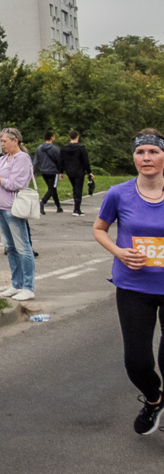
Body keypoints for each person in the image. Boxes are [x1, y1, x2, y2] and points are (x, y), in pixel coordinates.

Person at [94, 129, 164, 435]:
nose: (146, 158)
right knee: (137, 361)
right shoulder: (118, 193)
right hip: (134, 286)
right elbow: (99, 228)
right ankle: (154, 400)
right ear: (133, 157)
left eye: (153, 152)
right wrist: (119, 252)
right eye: (140, 152)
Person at [0, 127, 36, 301]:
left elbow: (14, 184)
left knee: (22, 248)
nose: (2, 144)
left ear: (15, 141)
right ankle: (16, 284)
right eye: (1, 142)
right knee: (10, 247)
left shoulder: (22, 159)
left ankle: (28, 286)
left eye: (5, 141)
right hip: (0, 207)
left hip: (13, 207)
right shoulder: (2, 159)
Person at [62, 130, 95, 217]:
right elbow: (85, 161)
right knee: (78, 189)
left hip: (69, 171)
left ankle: (76, 208)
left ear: (70, 137)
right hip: (79, 171)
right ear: (77, 137)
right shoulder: (81, 148)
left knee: (75, 188)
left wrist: (61, 171)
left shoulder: (64, 148)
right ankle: (77, 209)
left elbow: (61, 160)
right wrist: (89, 172)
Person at [34, 131, 65, 215]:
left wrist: (34, 172)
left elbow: (36, 161)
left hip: (44, 171)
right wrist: (61, 171)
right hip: (53, 171)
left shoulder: (39, 148)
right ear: (52, 137)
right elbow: (60, 161)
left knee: (52, 189)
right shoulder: (55, 149)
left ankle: (58, 207)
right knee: (51, 189)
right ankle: (42, 202)